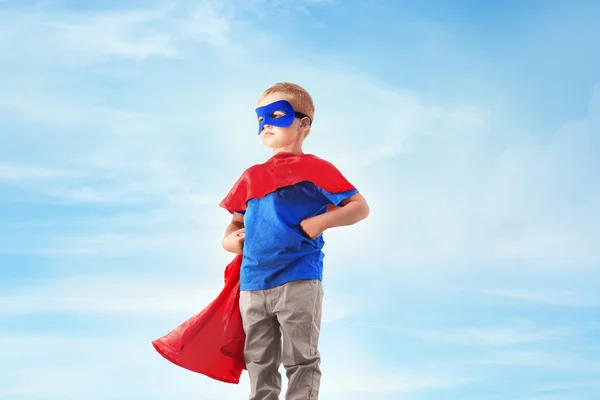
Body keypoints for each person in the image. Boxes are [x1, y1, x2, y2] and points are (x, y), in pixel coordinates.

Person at [221, 82, 370, 400]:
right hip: (253, 282)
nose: (266, 124)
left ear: (304, 124)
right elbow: (235, 221)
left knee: (300, 359)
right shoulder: (251, 176)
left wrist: (322, 222)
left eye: (276, 115)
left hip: (298, 278)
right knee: (259, 361)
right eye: (261, 118)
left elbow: (359, 207)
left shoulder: (318, 169)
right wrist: (230, 241)